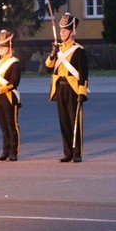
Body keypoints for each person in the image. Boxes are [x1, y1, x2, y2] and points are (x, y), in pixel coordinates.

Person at [45, 13, 89, 163]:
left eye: (64, 30)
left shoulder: (78, 50)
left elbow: (84, 74)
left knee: (74, 120)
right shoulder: (58, 50)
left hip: (73, 88)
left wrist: (82, 92)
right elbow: (47, 68)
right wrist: (52, 54)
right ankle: (67, 152)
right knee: (63, 121)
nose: (61, 33)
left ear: (71, 31)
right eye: (61, 30)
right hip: (60, 88)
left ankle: (77, 153)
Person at [0, 30, 22, 162]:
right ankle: (5, 150)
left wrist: (1, 88)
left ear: (9, 47)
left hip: (9, 97)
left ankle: (13, 151)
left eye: (3, 47)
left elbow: (14, 82)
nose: (0, 50)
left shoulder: (14, 62)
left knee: (12, 125)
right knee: (3, 126)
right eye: (0, 47)